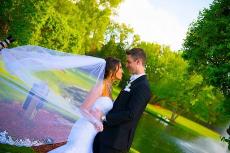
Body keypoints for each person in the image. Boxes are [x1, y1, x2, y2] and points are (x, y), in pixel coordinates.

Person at [48, 57, 123, 153]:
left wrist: (101, 118)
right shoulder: (101, 85)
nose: (122, 71)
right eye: (120, 67)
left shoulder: (109, 87)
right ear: (112, 70)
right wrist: (96, 122)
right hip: (86, 128)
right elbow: (83, 109)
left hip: (94, 132)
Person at [93, 48, 151, 153]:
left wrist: (104, 117)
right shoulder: (134, 81)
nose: (126, 65)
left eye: (129, 62)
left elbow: (130, 114)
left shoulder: (143, 87)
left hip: (116, 143)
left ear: (138, 62)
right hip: (107, 136)